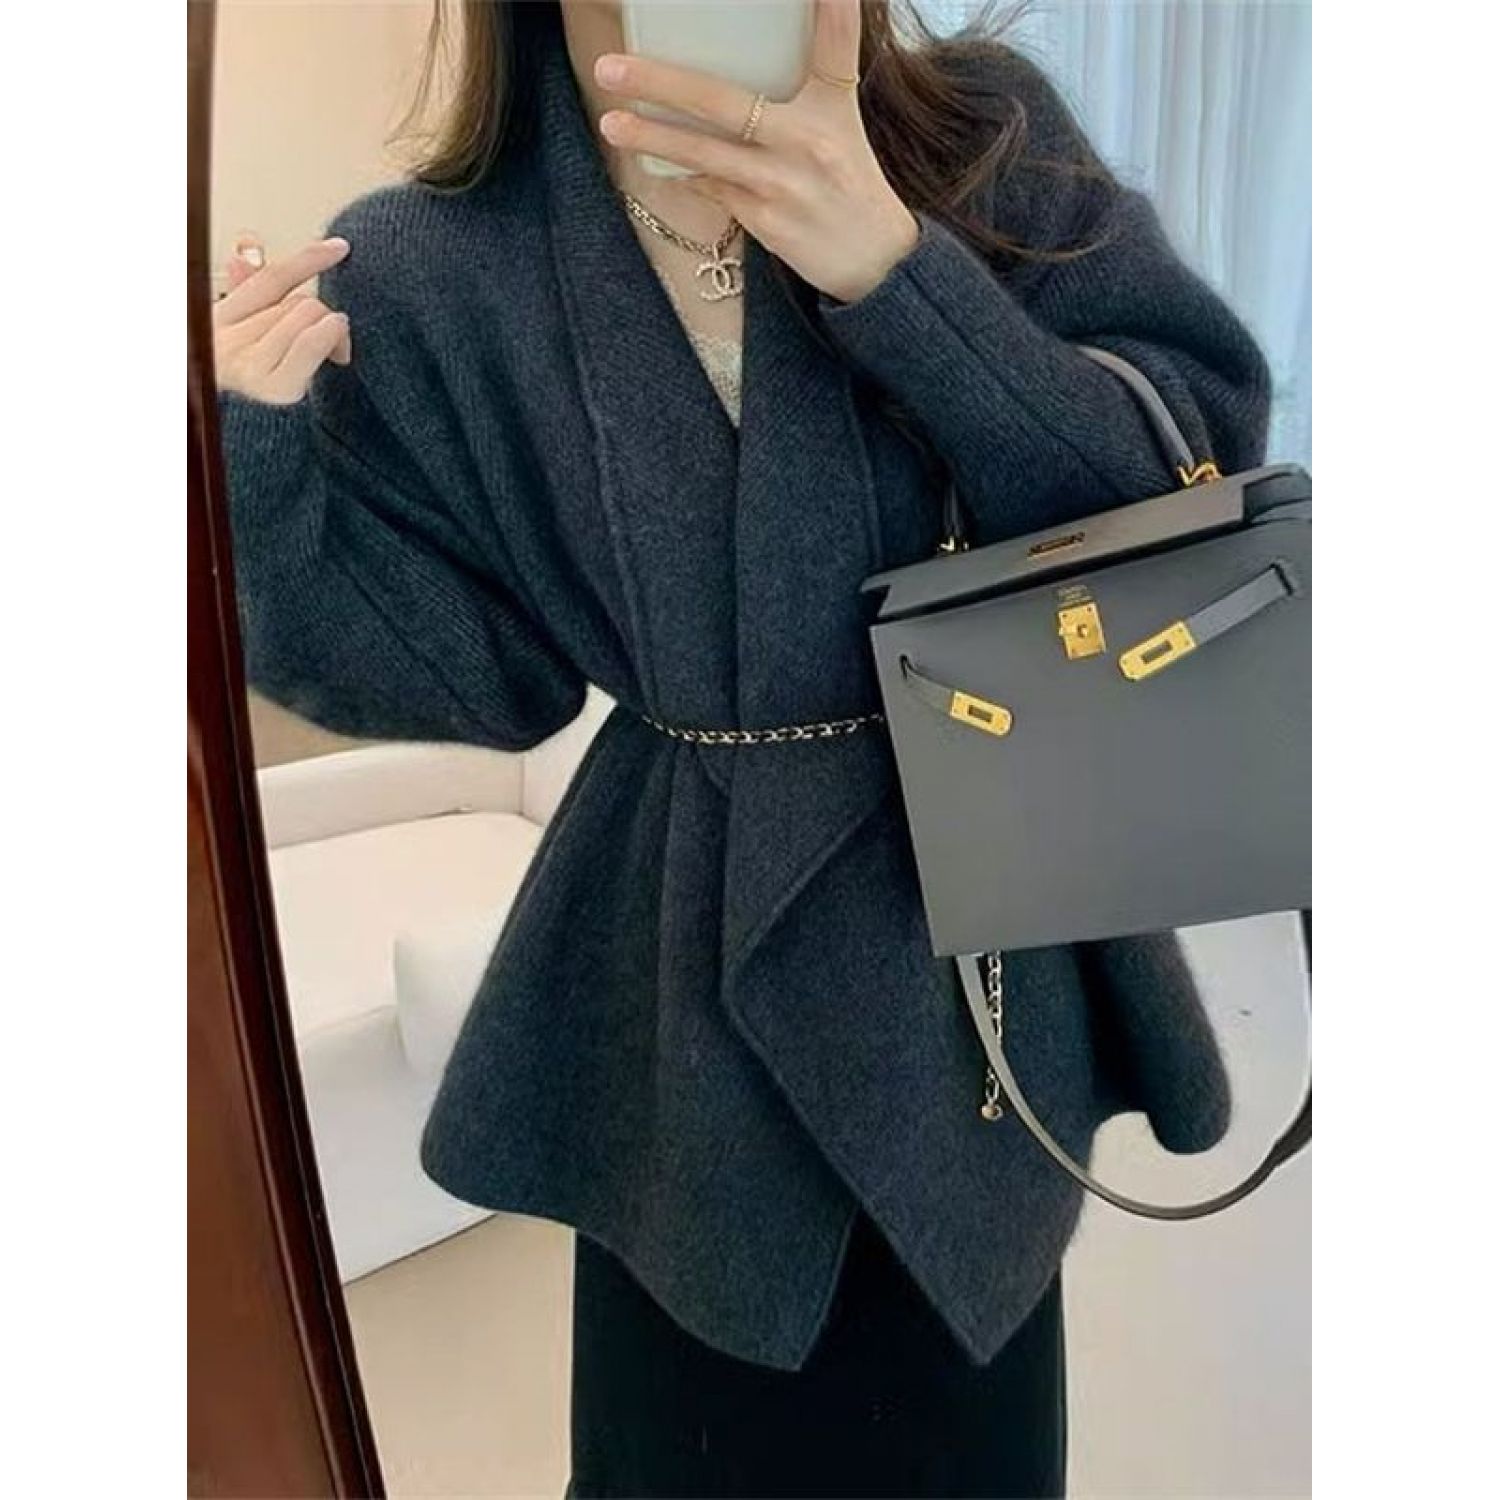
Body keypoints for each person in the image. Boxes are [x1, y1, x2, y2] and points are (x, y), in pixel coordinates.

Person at [213, 2, 1270, 1494]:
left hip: (972, 911)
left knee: (967, 1442)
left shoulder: (981, 136)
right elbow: (482, 679)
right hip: (678, 977)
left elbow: (1184, 486)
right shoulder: (435, 261)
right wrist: (248, 462)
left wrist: (899, 277)